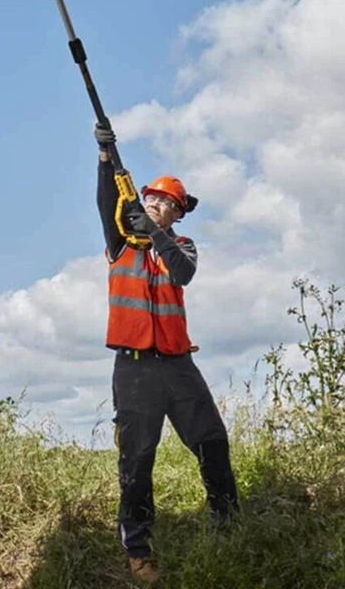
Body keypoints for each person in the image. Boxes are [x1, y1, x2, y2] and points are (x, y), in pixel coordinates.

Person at [94, 123, 238, 584]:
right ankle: (139, 552)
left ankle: (228, 525)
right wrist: (104, 157)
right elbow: (105, 203)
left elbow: (183, 274)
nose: (160, 207)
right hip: (134, 370)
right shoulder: (119, 244)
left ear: (177, 216)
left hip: (179, 367)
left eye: (170, 206)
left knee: (212, 441)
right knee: (137, 462)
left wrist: (155, 235)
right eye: (153, 200)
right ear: (142, 202)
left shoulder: (181, 246)